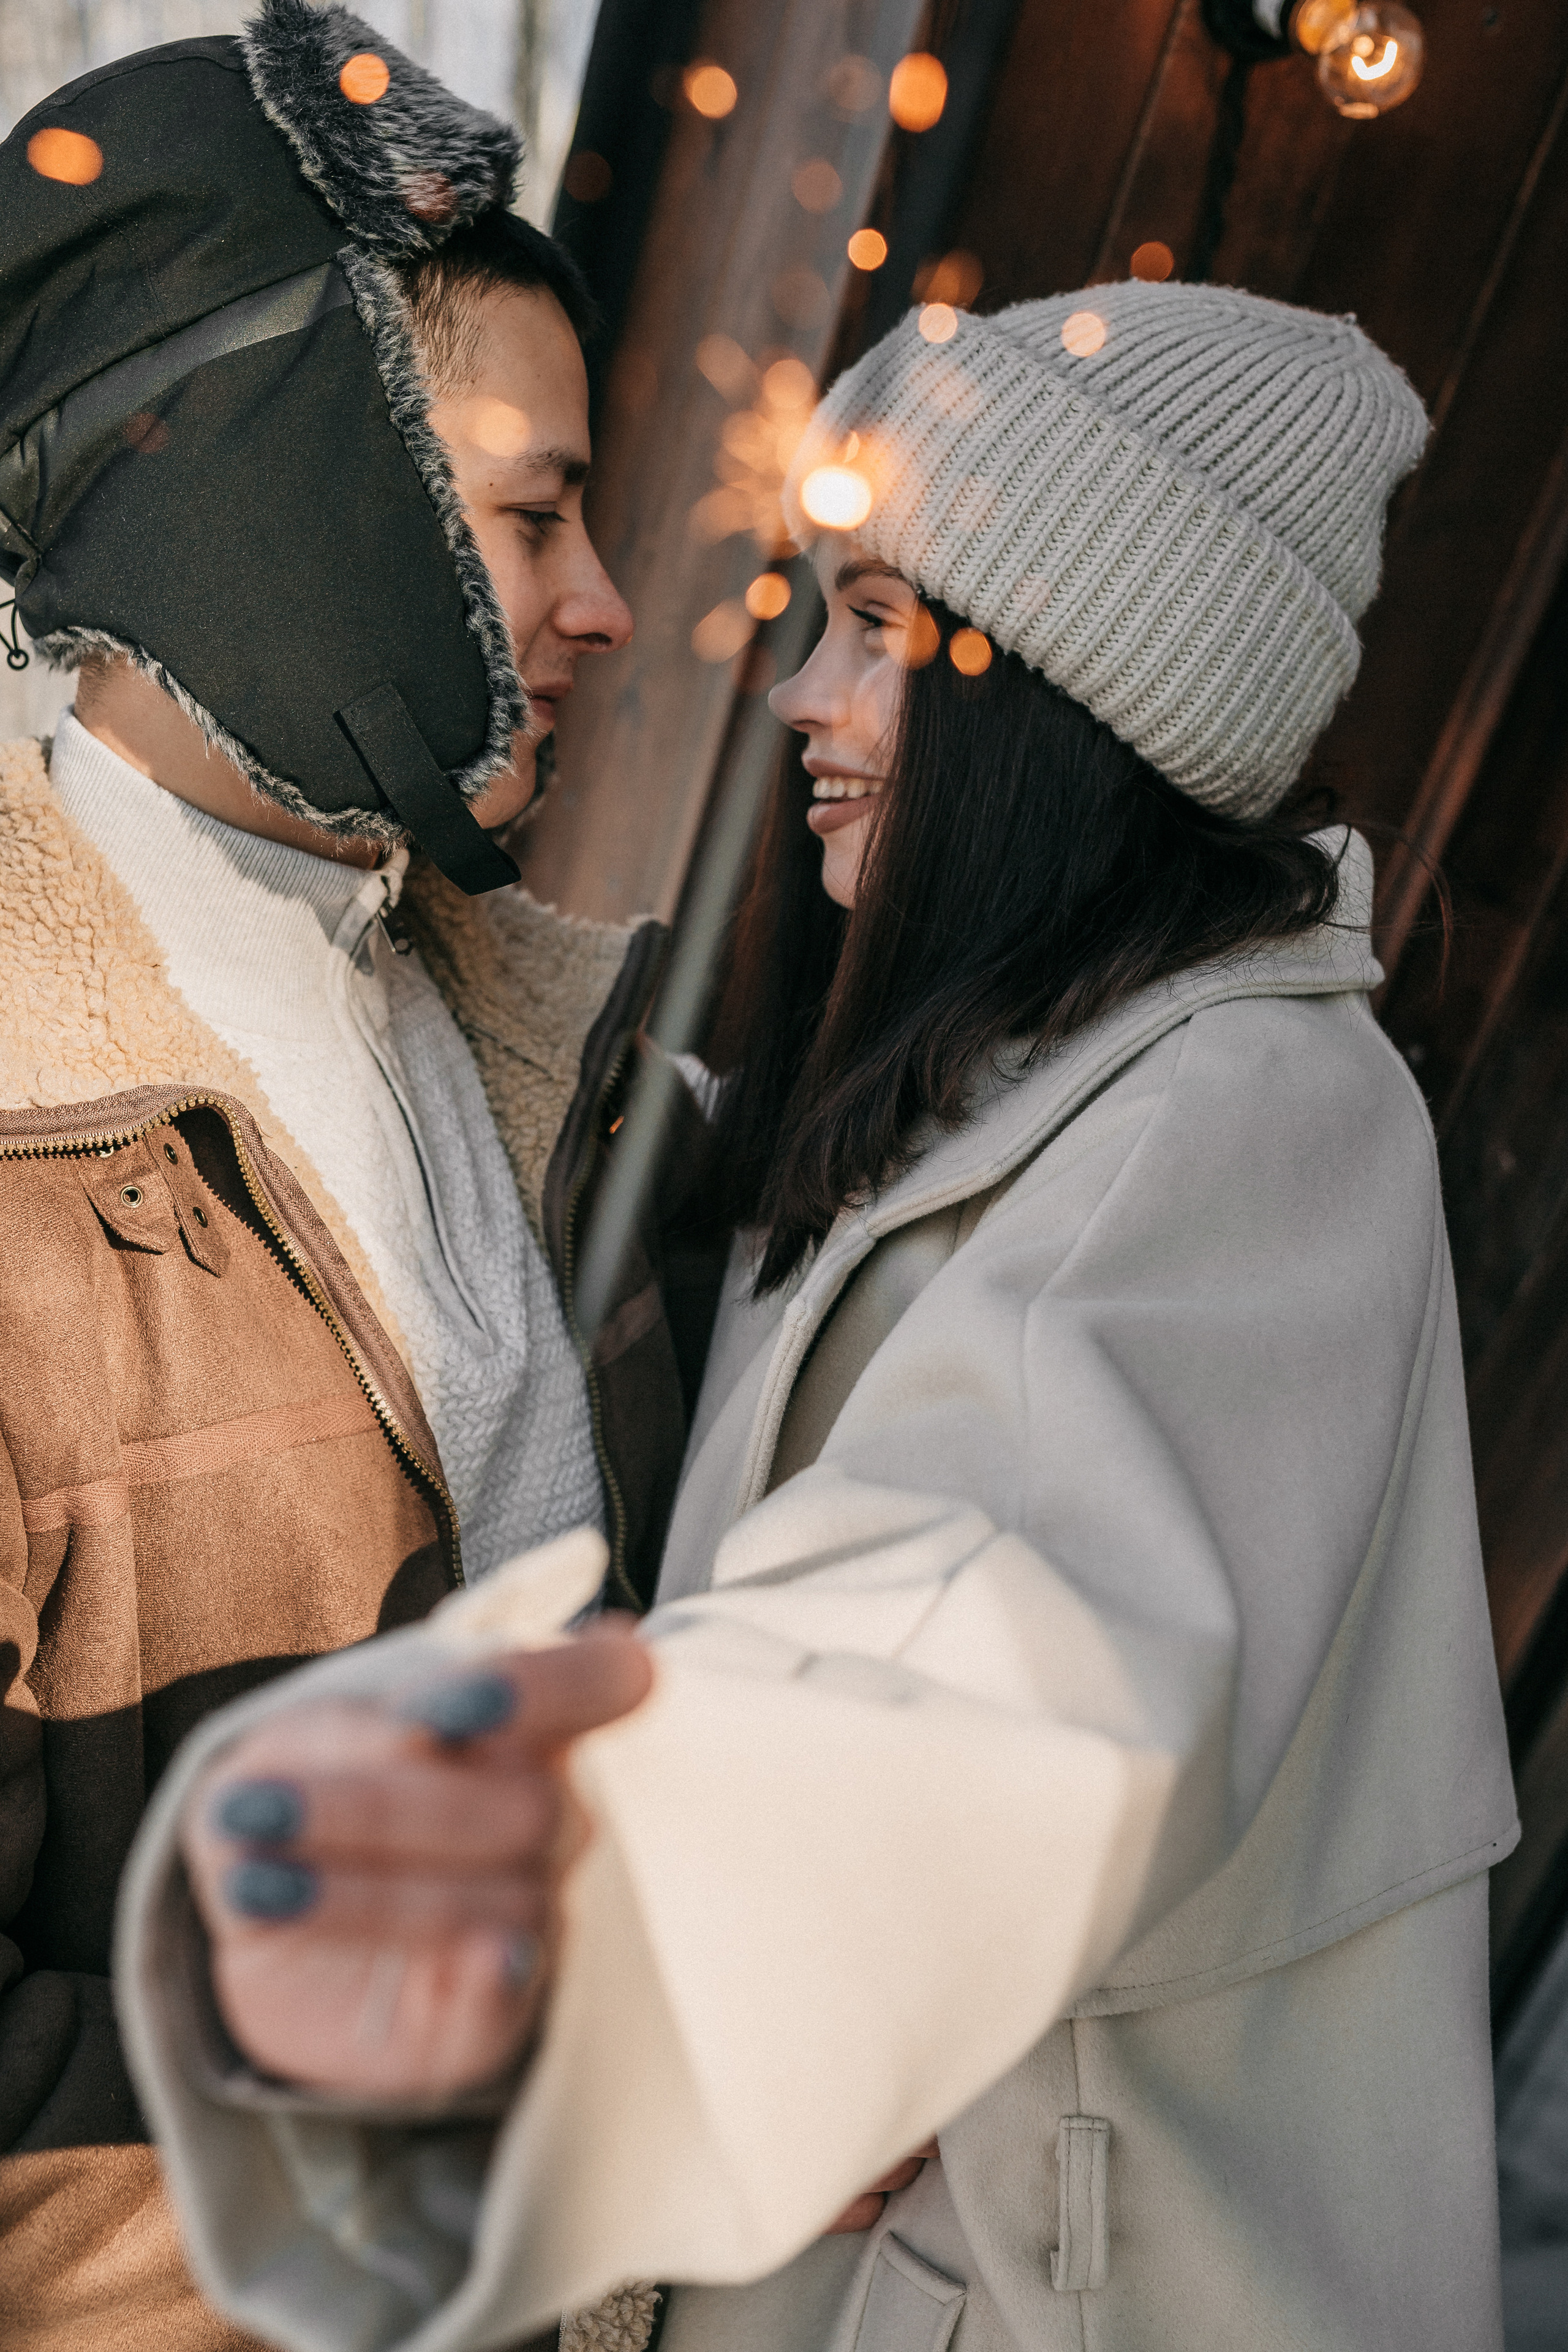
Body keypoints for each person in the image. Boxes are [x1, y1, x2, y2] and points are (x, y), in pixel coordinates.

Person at [119, 282, 1519, 2352]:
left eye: (876, 626)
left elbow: (1008, 1619)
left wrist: (670, 1962)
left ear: (1065, 693)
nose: (798, 693)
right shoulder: (1002, 1076)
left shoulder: (1253, 1114)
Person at [0, 7, 708, 2345]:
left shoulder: (565, 1066)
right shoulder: (18, 1178)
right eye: (530, 515)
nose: (605, 604)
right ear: (289, 486)